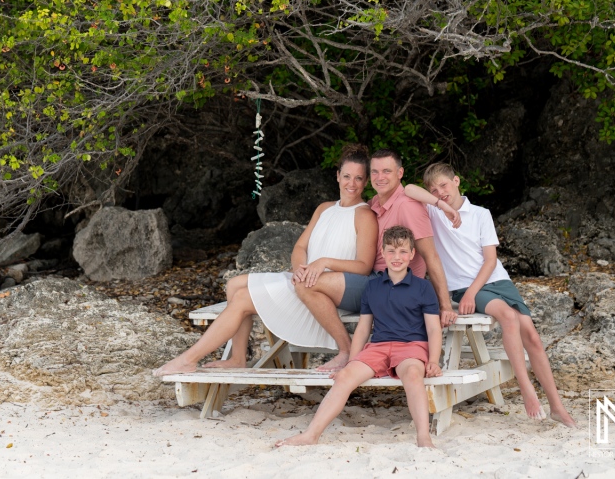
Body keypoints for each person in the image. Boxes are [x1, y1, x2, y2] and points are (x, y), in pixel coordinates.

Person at [153, 144, 378, 376]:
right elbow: (300, 246)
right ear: (338, 176)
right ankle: (238, 357)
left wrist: (323, 262)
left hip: (336, 284)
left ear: (366, 182)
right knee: (234, 284)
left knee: (243, 299)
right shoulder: (324, 209)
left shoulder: (364, 215)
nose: (352, 183)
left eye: (358, 178)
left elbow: (364, 266)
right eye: (347, 176)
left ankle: (189, 359)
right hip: (308, 276)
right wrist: (300, 266)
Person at [402, 162, 577, 427]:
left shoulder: (480, 214)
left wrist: (474, 292)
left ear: (457, 181)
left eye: (444, 186)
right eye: (434, 189)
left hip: (495, 280)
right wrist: (441, 206)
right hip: (461, 286)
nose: (440, 192)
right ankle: (526, 389)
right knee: (508, 317)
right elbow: (408, 189)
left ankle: (556, 406)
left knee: (532, 336)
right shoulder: (433, 211)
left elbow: (490, 260)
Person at [275, 226, 443, 448]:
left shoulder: (423, 287)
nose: (397, 257)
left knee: (412, 374)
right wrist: (353, 361)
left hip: (411, 347)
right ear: (382, 252)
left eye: (403, 252)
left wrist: (433, 361)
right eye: (391, 251)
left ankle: (423, 436)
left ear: (412, 255)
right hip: (378, 347)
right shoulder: (373, 287)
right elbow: (364, 328)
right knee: (345, 377)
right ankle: (311, 435)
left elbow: (433, 329)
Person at [368, 149, 460, 328]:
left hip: (397, 283)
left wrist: (445, 305)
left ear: (400, 173)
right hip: (375, 279)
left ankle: (346, 349)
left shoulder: (407, 205)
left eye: (386, 171)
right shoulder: (374, 203)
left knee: (315, 286)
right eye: (374, 172)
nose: (380, 177)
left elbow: (430, 256)